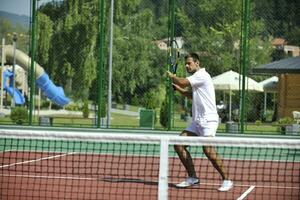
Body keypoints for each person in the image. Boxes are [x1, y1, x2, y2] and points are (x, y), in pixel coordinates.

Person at [166, 52, 233, 191]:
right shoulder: (196, 79)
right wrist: (178, 88)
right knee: (179, 145)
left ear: (197, 63)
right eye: (186, 64)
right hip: (197, 121)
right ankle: (192, 177)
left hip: (209, 120)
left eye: (189, 63)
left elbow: (183, 81)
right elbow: (191, 94)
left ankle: (227, 180)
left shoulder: (202, 75)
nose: (187, 66)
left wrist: (173, 78)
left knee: (208, 150)